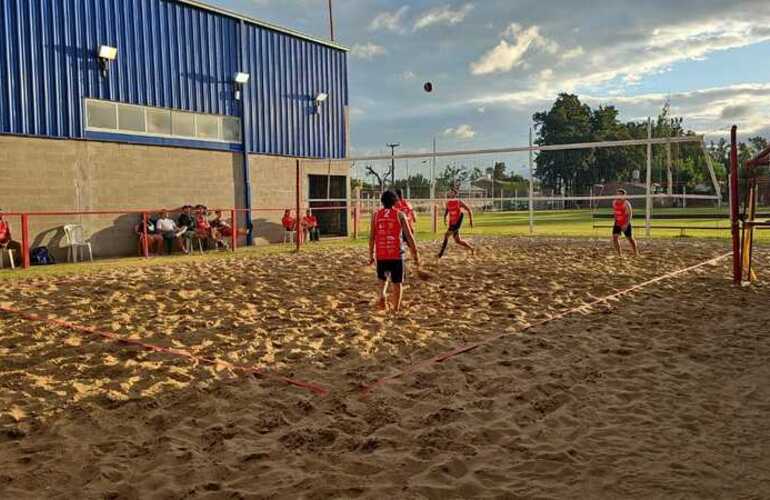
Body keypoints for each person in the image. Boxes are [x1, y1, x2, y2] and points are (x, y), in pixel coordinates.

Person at [368, 190, 420, 313]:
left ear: (382, 201)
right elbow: (410, 237)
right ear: (395, 201)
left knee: (383, 278)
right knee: (397, 283)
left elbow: (371, 237)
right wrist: (416, 254)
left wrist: (371, 254)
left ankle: (382, 295)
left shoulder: (375, 215)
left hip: (381, 253)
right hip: (396, 254)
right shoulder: (400, 215)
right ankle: (396, 309)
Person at [438, 188, 474, 258]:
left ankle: (440, 254)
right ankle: (471, 248)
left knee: (446, 235)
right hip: (451, 223)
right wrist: (444, 219)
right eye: (450, 192)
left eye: (452, 192)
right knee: (458, 241)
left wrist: (471, 221)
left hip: (457, 223)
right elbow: (446, 212)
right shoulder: (448, 203)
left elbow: (469, 210)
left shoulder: (459, 202)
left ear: (455, 194)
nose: (450, 193)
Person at [612, 189, 639, 257]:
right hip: (617, 222)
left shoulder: (626, 203)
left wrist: (626, 224)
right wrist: (616, 221)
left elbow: (630, 214)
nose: (618, 196)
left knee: (630, 238)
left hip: (625, 222)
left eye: (620, 194)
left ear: (623, 195)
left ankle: (636, 252)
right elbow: (615, 212)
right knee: (615, 238)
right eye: (617, 194)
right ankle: (619, 254)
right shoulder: (614, 202)